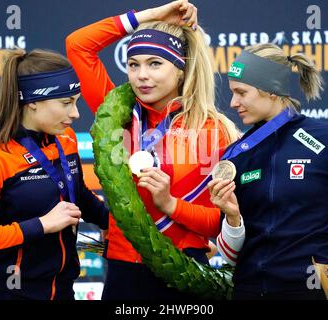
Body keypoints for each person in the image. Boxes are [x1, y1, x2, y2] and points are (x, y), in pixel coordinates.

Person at [66, 0, 242, 299]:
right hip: (124, 270)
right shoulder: (119, 114)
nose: (141, 75)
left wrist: (170, 204)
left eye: (155, 63)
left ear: (181, 70)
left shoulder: (214, 130)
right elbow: (78, 45)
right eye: (134, 64)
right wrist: (149, 16)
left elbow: (220, 221)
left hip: (186, 269)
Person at [208, 43, 328, 300]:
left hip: (311, 291)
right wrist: (232, 217)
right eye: (232, 93)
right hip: (248, 292)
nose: (232, 103)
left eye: (241, 92)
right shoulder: (236, 155)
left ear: (272, 89)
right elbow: (230, 256)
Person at [0, 48, 109, 300]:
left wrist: (119, 226)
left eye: (76, 101)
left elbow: (78, 194)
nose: (75, 113)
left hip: (63, 291)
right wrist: (42, 225)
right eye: (66, 103)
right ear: (33, 102)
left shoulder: (66, 139)